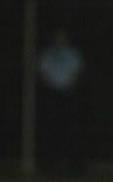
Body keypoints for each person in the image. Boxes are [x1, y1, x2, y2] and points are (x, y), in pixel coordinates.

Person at [37, 28, 86, 174]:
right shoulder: (47, 54)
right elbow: (43, 73)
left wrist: (69, 88)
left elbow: (78, 73)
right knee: (51, 128)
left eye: (62, 37)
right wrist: (52, 88)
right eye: (57, 37)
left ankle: (73, 164)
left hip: (69, 94)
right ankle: (50, 163)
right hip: (51, 95)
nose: (60, 40)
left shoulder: (73, 54)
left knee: (71, 128)